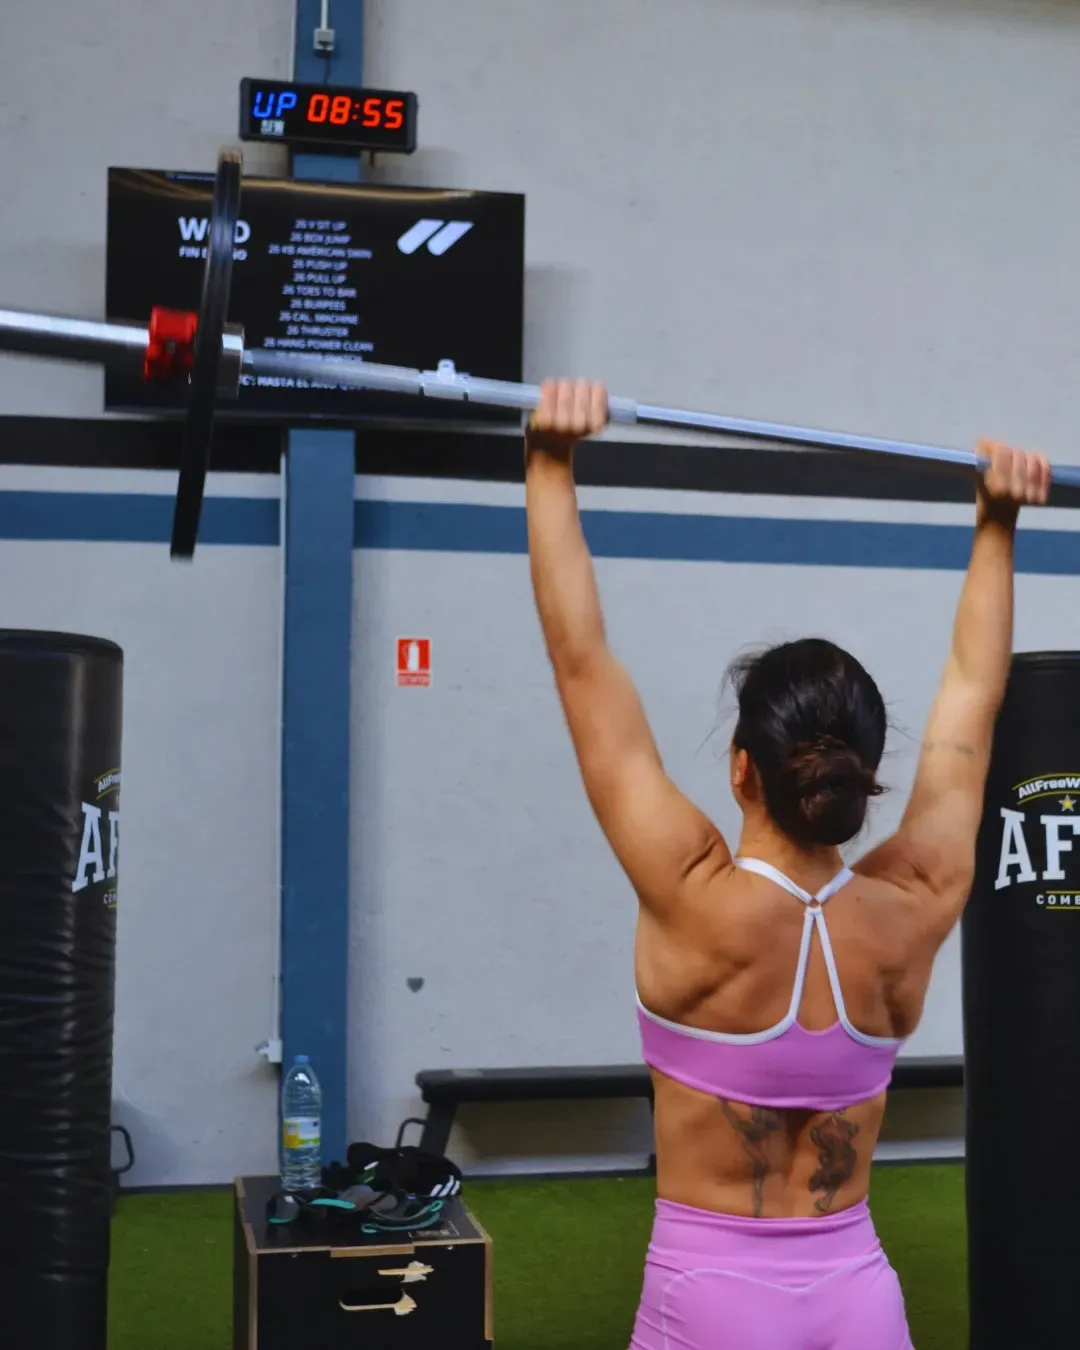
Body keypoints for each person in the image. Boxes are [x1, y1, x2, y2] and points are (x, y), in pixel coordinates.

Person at [524, 378, 1050, 1350]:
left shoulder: (690, 893)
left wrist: (550, 462)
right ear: (860, 774)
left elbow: (580, 661)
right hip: (860, 1298)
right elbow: (976, 693)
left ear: (742, 770)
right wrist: (998, 524)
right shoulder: (917, 897)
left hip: (714, 1296)